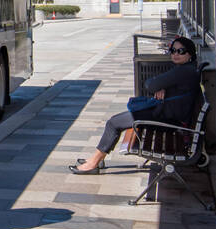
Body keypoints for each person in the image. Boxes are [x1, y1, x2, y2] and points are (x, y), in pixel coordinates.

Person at [70, 35, 201, 174]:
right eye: (173, 50)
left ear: (190, 54)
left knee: (114, 123)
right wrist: (162, 87)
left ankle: (93, 163)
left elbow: (150, 84)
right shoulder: (188, 69)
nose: (175, 54)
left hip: (168, 120)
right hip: (169, 116)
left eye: (181, 51)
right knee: (115, 121)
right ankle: (97, 159)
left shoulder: (183, 71)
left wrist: (160, 86)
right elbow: (152, 83)